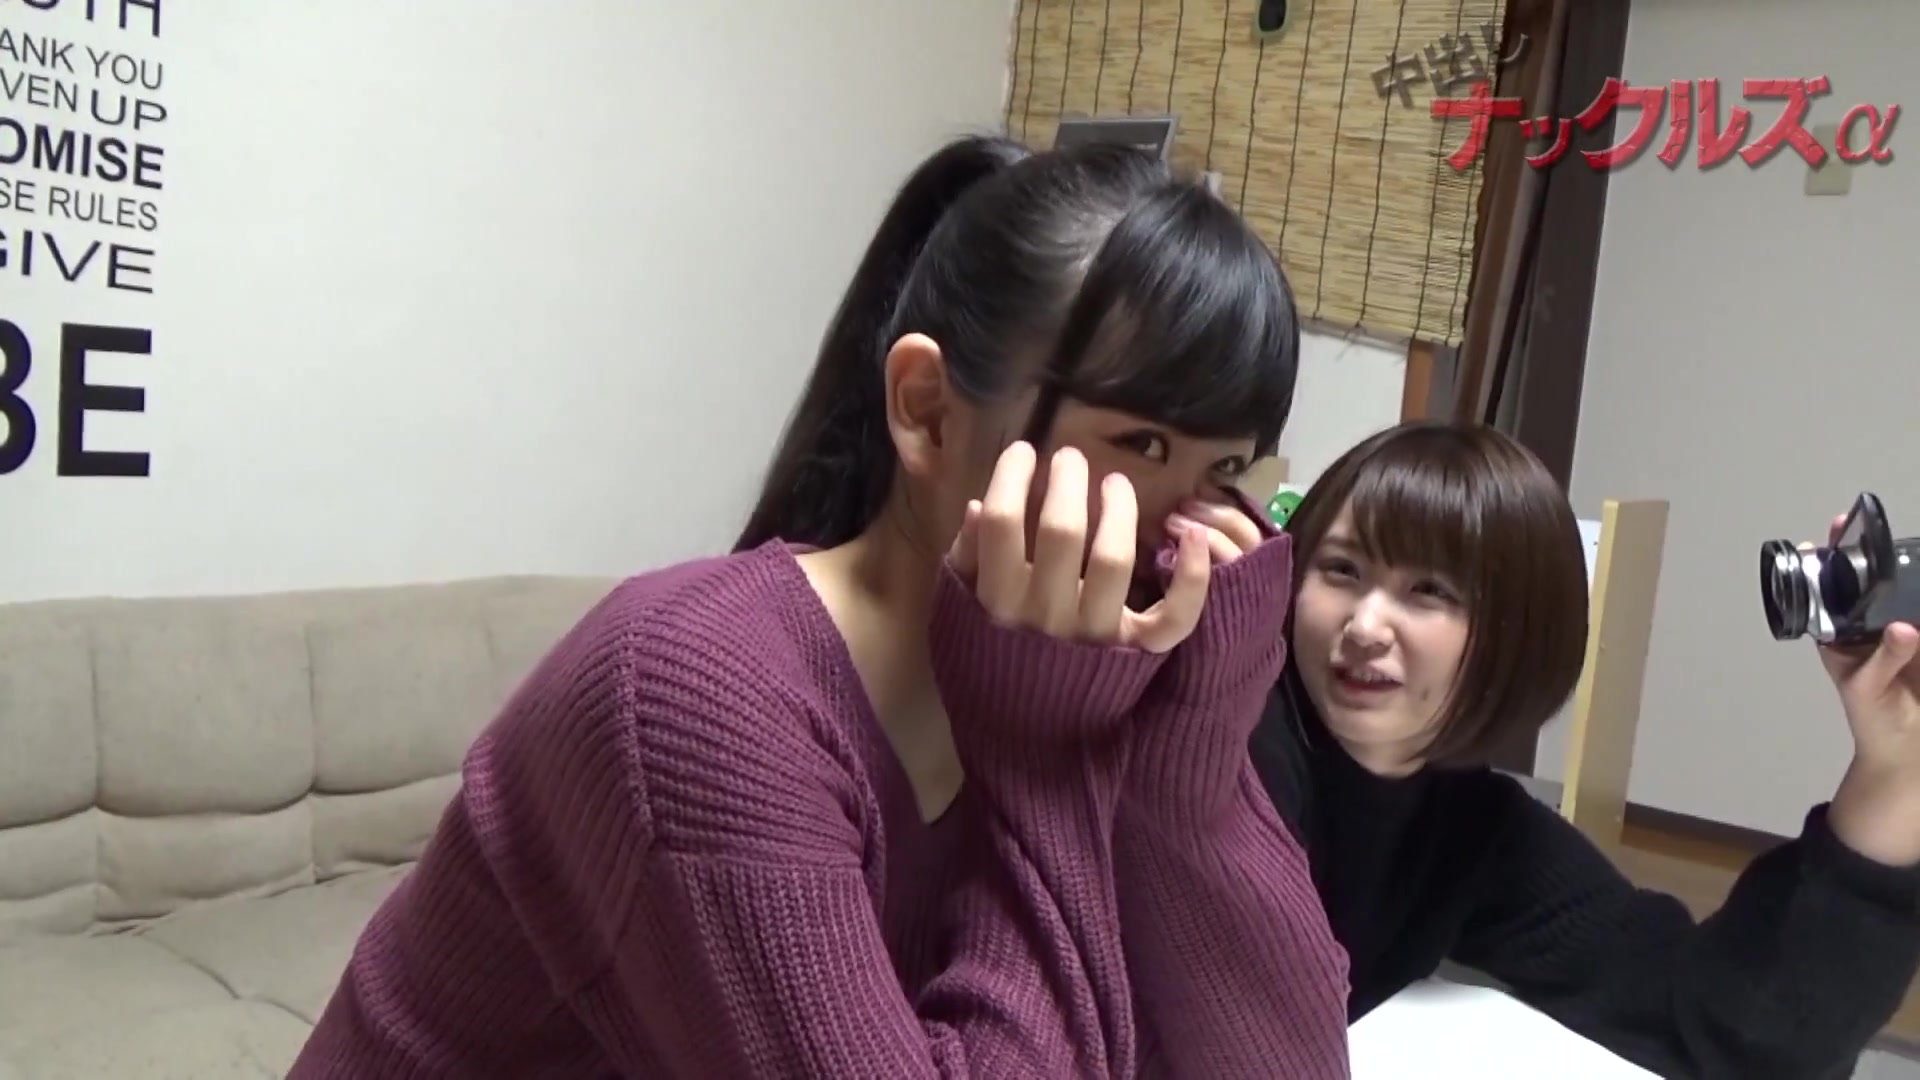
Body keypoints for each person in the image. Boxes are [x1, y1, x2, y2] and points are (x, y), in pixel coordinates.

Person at [289, 134, 1352, 1078]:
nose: (1184, 538)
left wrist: (1190, 766)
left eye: (1227, 474)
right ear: (928, 413)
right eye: (1142, 445)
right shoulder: (697, 690)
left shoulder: (1094, 679)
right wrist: (1041, 758)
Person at [1220, 420, 1920, 1079]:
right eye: (1342, 570)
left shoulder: (1470, 828)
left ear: (1517, 629)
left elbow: (1715, 1032)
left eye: (1428, 590)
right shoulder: (1225, 759)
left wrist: (1893, 774)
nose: (1365, 626)